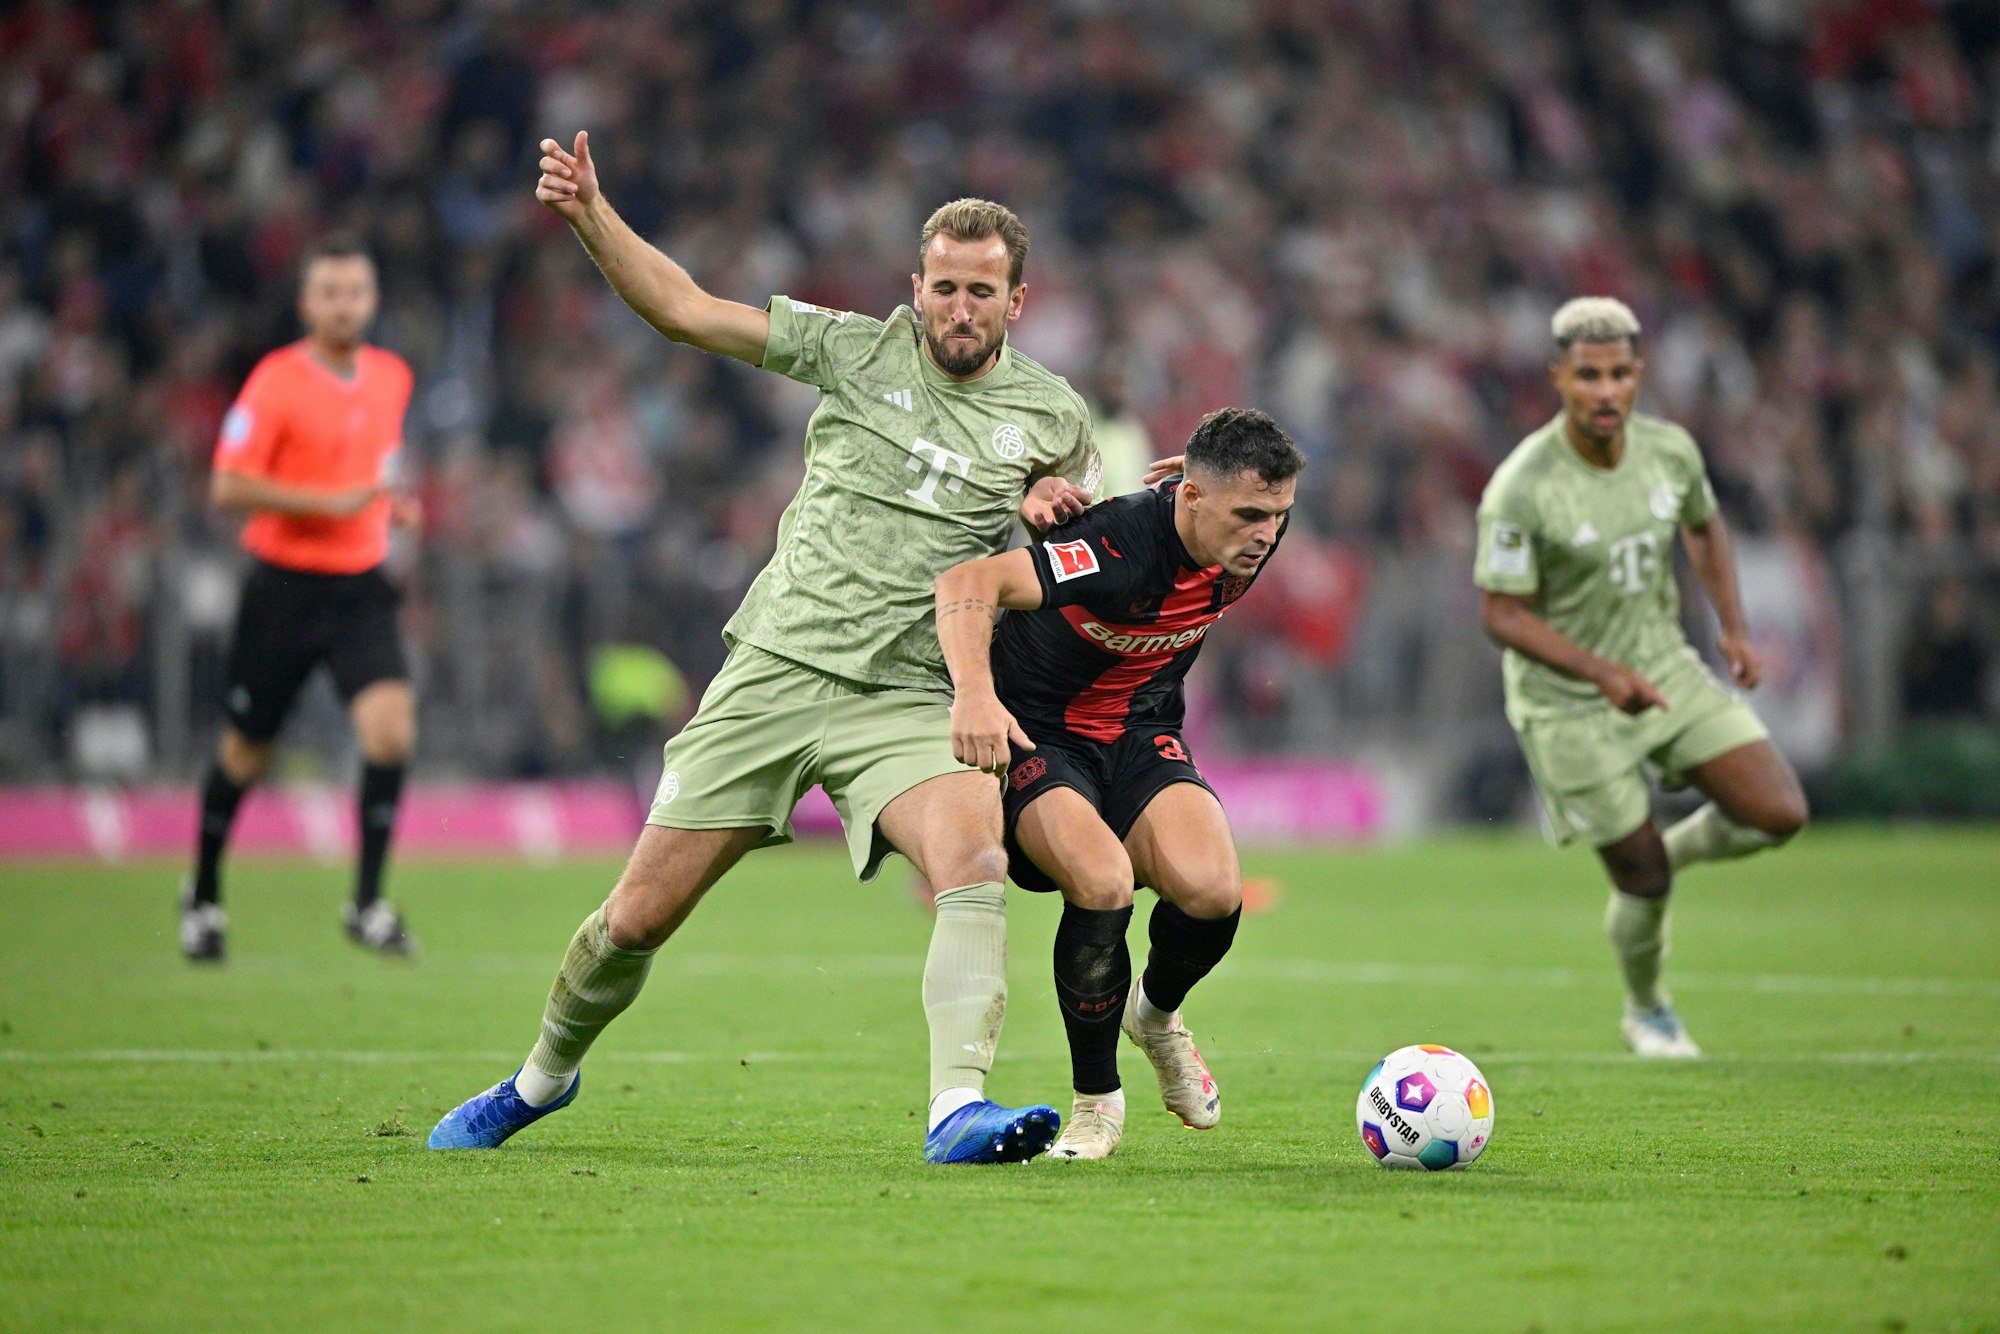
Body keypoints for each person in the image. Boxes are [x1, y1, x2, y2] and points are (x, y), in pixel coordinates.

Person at [429, 132, 1099, 1164]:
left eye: (981, 292)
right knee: (635, 919)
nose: (960, 309)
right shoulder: (853, 349)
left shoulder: (1052, 414)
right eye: (944, 288)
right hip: (776, 670)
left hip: (910, 694)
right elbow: (687, 310)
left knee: (974, 858)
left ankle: (955, 1108)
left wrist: (1055, 507)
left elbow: (1066, 546)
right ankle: (540, 1079)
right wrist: (591, 216)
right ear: (914, 290)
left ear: (1018, 300)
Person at [933, 407, 1303, 1158]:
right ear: (1191, 498)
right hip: (1043, 736)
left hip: (1139, 730)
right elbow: (970, 581)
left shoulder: (1248, 525)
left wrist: (1214, 491)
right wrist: (973, 694)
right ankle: (1096, 1102)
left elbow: (1244, 497)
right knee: (1102, 882)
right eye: (1249, 516)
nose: (1266, 534)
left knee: (1214, 891)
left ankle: (1156, 1019)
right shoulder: (1114, 546)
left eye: (1277, 515)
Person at [1475, 297, 1810, 1058]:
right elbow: (1502, 614)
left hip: (1662, 667)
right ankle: (1648, 1009)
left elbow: (1704, 524)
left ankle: (1675, 849)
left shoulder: (1669, 452)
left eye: (1620, 374)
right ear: (1559, 377)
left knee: (1780, 812)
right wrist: (1600, 673)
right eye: (1589, 375)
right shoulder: (1522, 485)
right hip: (1568, 704)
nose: (1606, 391)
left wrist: (1733, 626)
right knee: (1642, 879)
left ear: (1638, 375)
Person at [179, 235, 422, 962]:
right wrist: (328, 501)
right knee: (245, 753)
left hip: (359, 587)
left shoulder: (391, 377)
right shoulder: (275, 381)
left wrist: (393, 505)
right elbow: (227, 485)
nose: (345, 306)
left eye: (357, 292)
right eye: (331, 293)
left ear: (372, 301)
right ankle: (203, 896)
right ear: (306, 304)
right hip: (283, 588)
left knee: (391, 734)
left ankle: (367, 903)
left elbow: (377, 468)